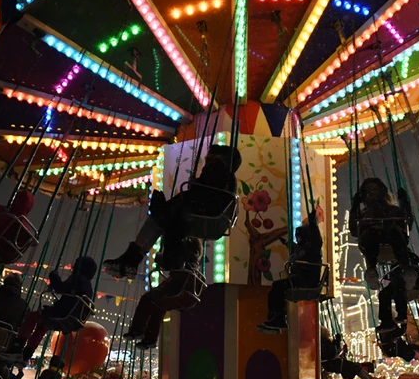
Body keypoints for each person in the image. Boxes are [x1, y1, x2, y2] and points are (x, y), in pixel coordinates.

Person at [104, 145, 241, 279]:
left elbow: (202, 189)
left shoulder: (217, 168)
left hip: (202, 210)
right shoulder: (228, 176)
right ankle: (136, 258)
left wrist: (194, 183)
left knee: (161, 216)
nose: (207, 159)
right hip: (208, 212)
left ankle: (138, 257)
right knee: (164, 218)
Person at [17, 256, 98, 360]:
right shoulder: (89, 286)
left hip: (62, 313)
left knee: (31, 317)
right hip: (72, 317)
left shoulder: (77, 278)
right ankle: (26, 355)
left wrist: (54, 276)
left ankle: (18, 346)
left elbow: (60, 288)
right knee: (43, 326)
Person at [125, 239, 202, 348]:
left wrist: (161, 255)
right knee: (159, 306)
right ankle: (150, 339)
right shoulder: (192, 261)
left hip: (176, 289)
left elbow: (168, 262)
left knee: (147, 298)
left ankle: (137, 330)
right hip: (184, 293)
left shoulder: (183, 258)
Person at [258, 214, 322, 333]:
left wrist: (313, 224)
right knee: (275, 289)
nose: (298, 239)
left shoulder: (312, 248)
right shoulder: (299, 248)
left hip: (306, 279)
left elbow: (317, 239)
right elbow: (292, 246)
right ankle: (273, 318)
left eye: (299, 237)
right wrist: (283, 241)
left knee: (278, 287)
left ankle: (278, 318)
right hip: (299, 278)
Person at [349, 178, 414, 288]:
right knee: (371, 233)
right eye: (368, 190)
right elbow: (354, 230)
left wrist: (405, 204)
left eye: (374, 189)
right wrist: (355, 206)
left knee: (394, 232)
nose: (372, 192)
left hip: (391, 238)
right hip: (373, 240)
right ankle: (371, 270)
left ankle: (406, 268)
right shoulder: (363, 214)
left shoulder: (393, 210)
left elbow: (407, 224)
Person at [317, 326, 384, 379]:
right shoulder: (325, 344)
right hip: (338, 365)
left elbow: (334, 353)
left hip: (338, 364)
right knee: (356, 368)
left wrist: (339, 347)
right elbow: (333, 353)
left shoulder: (324, 344)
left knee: (357, 367)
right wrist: (337, 342)